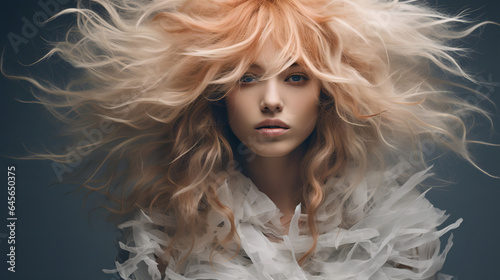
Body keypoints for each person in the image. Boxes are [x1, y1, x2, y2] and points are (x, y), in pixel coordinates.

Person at [3, 0, 498, 279]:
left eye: (297, 77)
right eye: (247, 78)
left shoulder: (400, 232)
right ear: (218, 95)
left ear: (328, 93)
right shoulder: (166, 239)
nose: (271, 100)